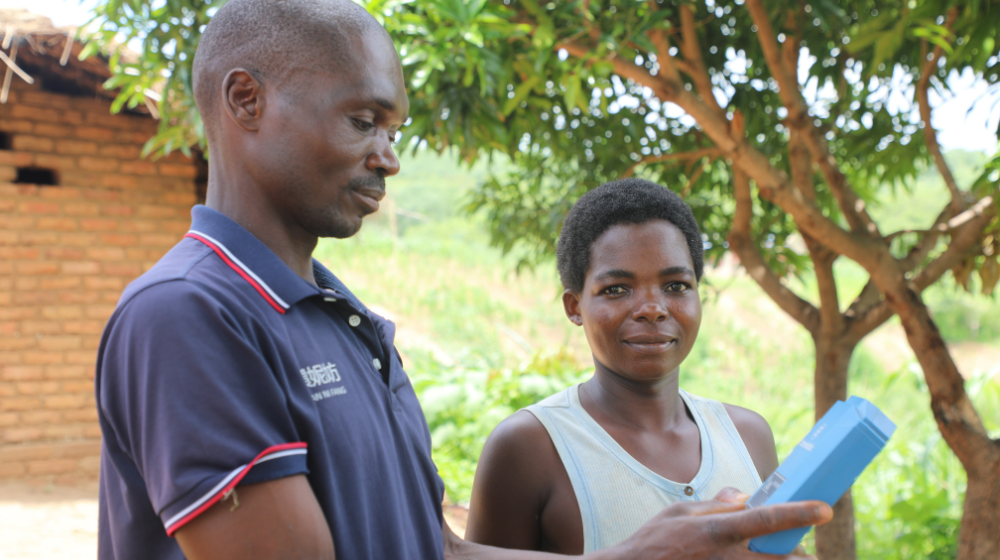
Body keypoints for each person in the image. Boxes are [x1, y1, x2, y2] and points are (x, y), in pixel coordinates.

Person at [92, 1, 830, 559]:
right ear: (245, 100)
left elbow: (435, 549)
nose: (388, 157)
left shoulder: (343, 321)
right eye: (363, 120)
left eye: (394, 130)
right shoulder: (188, 314)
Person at [465, 179, 784, 554]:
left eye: (676, 285)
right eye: (616, 289)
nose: (652, 308)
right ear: (574, 307)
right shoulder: (529, 448)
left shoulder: (747, 437)